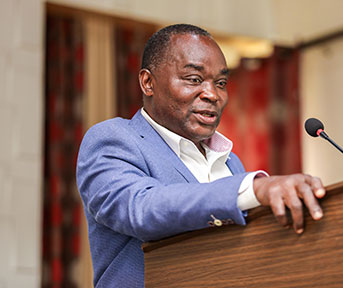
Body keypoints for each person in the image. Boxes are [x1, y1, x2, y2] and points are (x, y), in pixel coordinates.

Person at [76, 24, 327, 287]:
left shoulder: (231, 162)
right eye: (194, 80)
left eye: (220, 83)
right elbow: (142, 208)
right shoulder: (114, 139)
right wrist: (254, 188)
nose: (212, 94)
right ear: (148, 83)